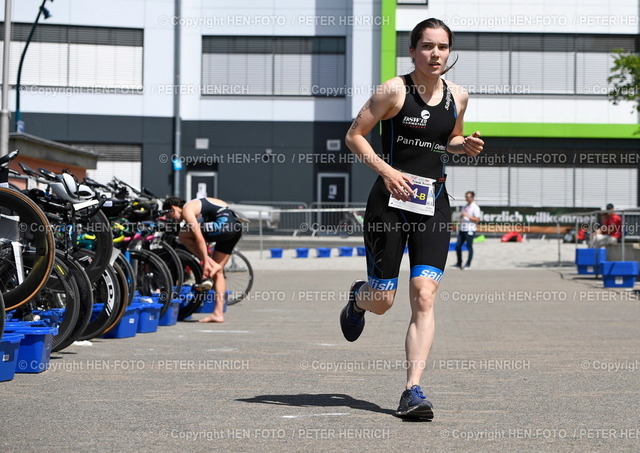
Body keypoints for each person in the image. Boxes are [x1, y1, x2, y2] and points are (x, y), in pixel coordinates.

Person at [340, 18, 484, 420]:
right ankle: (358, 298)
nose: (434, 54)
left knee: (424, 293)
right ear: (412, 50)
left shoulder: (459, 95)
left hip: (433, 203)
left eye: (441, 47)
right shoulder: (393, 91)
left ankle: (413, 391)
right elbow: (354, 135)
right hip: (388, 204)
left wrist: (463, 145)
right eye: (426, 46)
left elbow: (450, 138)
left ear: (449, 51)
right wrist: (387, 172)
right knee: (383, 301)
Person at [163, 196, 243, 323]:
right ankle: (218, 313)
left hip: (224, 225)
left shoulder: (187, 209)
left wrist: (205, 260)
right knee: (218, 272)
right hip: (235, 226)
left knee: (183, 235)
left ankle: (210, 263)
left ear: (172, 209)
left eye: (170, 217)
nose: (172, 221)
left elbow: (199, 238)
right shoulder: (199, 207)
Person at [454, 191, 481, 269]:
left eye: (468, 197)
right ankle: (459, 263)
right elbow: (462, 216)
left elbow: (477, 220)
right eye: (466, 196)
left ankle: (468, 264)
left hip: (470, 229)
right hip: (462, 228)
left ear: (472, 198)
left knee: (469, 246)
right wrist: (460, 218)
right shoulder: (465, 206)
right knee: (458, 246)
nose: (466, 198)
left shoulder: (475, 207)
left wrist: (468, 216)